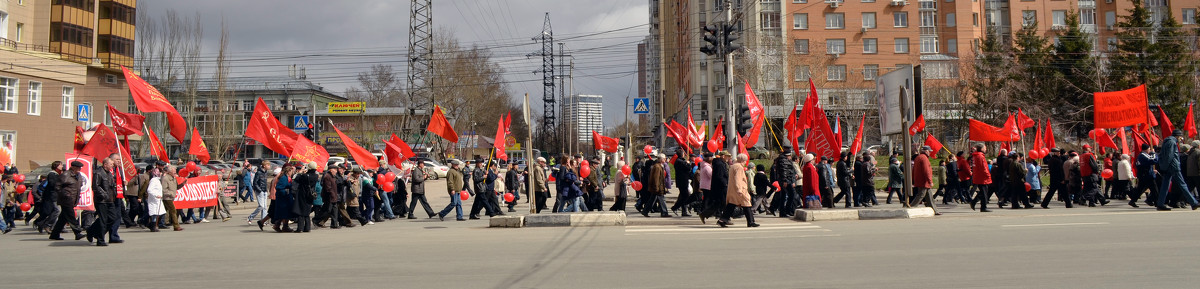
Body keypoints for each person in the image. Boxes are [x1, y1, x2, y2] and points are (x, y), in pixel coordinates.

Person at [1156, 130, 1200, 211]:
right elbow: (1170, 156)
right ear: (1177, 136)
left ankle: (1160, 203)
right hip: (1173, 166)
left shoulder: (1167, 142)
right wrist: (1166, 166)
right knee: (1182, 184)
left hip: (1168, 167)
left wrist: (1164, 167)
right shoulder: (1172, 143)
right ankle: (1193, 203)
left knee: (1165, 186)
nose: (1181, 139)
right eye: (1180, 137)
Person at [87, 157, 121, 246]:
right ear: (105, 164)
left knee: (112, 218)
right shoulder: (98, 173)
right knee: (103, 219)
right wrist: (104, 195)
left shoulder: (109, 174)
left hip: (110, 200)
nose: (112, 165)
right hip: (101, 200)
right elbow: (95, 186)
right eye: (111, 164)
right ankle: (100, 239)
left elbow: (111, 186)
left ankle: (91, 231)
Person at [717, 154, 758, 228]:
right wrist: (739, 189)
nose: (746, 162)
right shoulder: (739, 167)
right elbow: (738, 178)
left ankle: (722, 220)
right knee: (746, 204)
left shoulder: (733, 166)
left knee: (731, 205)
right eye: (745, 160)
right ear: (742, 160)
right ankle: (751, 221)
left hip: (733, 189)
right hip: (740, 189)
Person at [49, 161, 86, 240]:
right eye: (77, 168)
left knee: (63, 218)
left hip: (73, 199)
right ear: (73, 167)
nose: (79, 169)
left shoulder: (78, 176)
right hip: (66, 199)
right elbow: (57, 186)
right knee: (71, 215)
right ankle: (77, 232)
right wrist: (65, 194)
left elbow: (78, 186)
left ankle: (54, 234)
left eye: (80, 168)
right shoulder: (66, 175)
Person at [909, 146, 939, 214]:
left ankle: (935, 210)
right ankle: (912, 207)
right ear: (926, 151)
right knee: (921, 195)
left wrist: (913, 179)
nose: (930, 153)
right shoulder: (924, 159)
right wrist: (930, 181)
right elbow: (926, 171)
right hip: (924, 181)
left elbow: (914, 170)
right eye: (929, 151)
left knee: (930, 197)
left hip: (920, 180)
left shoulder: (918, 158)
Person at [968, 144, 995, 212]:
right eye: (985, 148)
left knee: (983, 192)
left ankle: (974, 202)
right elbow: (983, 167)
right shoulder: (980, 156)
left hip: (978, 176)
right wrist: (988, 175)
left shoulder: (976, 156)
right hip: (982, 177)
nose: (986, 149)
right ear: (982, 149)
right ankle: (983, 207)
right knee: (984, 193)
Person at [770, 149, 797, 216]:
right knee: (790, 194)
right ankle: (786, 210)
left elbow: (789, 170)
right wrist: (785, 180)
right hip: (786, 180)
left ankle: (783, 211)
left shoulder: (784, 160)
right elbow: (784, 171)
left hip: (787, 179)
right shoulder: (783, 160)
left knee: (784, 195)